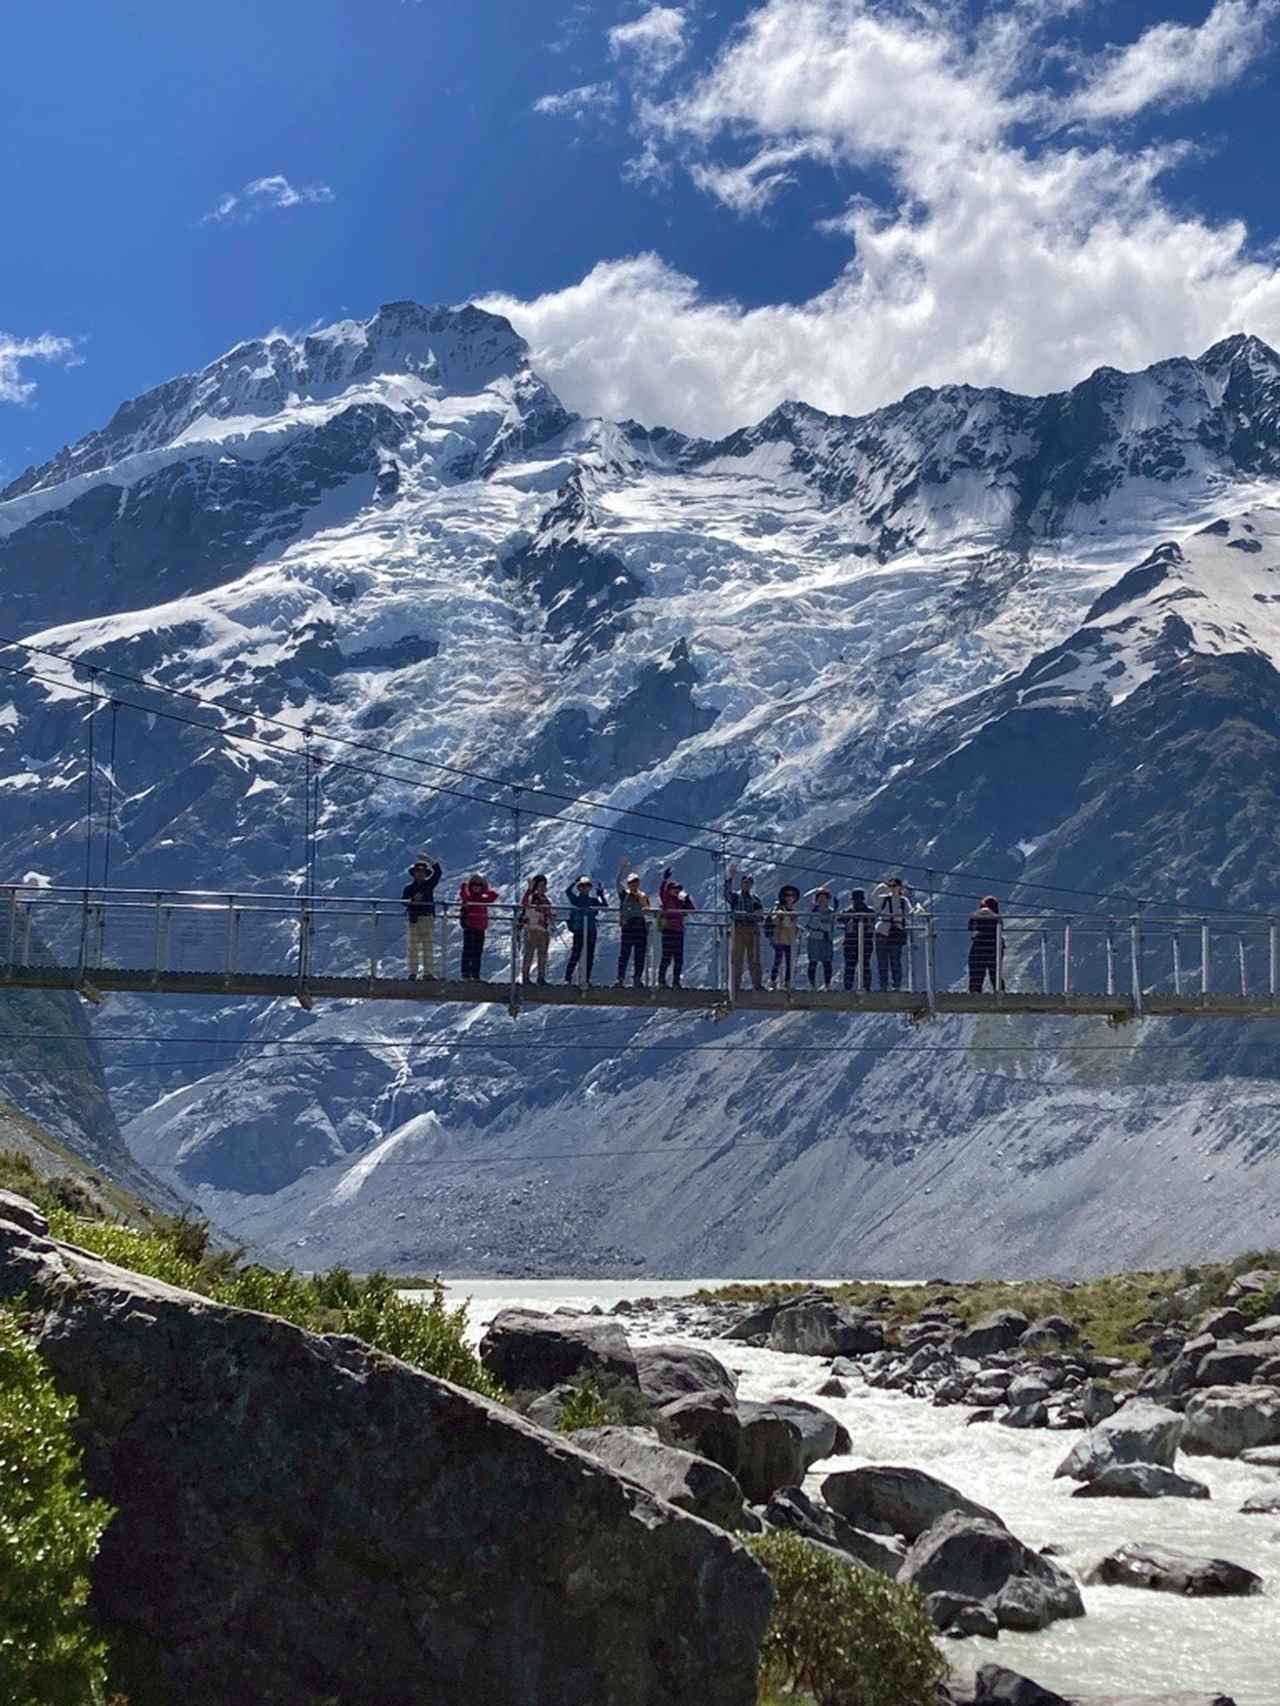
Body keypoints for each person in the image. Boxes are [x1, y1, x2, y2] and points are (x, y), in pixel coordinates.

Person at [724, 863, 764, 991]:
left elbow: (760, 915)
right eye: (745, 882)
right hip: (738, 928)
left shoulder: (755, 899)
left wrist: (755, 916)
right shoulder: (735, 897)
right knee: (737, 958)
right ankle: (735, 986)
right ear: (741, 884)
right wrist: (730, 878)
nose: (747, 885)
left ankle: (757, 985)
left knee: (754, 958)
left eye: (749, 883)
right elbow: (726, 895)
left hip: (752, 930)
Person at [871, 875, 915, 991]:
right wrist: (882, 886)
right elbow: (873, 897)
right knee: (882, 962)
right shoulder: (884, 899)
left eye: (894, 886)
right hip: (882, 932)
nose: (891, 888)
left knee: (896, 961)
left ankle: (896, 985)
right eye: (890, 886)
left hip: (896, 933)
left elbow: (910, 913)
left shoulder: (903, 901)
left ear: (899, 887)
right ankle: (883, 986)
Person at [402, 853, 442, 979]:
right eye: (418, 872)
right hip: (414, 919)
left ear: (425, 874)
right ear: (414, 874)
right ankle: (413, 973)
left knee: (428, 947)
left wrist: (428, 859)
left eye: (422, 872)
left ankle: (428, 973)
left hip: (427, 918)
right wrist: (413, 900)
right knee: (413, 947)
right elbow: (404, 901)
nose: (420, 874)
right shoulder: (409, 888)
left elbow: (438, 873)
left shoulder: (428, 885)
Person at [564, 876, 608, 985]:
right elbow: (567, 891)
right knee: (576, 953)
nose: (585, 888)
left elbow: (605, 908)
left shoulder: (588, 901)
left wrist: (601, 895)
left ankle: (586, 979)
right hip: (581, 930)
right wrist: (575, 881)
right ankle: (568, 978)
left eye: (587, 886)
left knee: (589, 955)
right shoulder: (577, 900)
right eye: (582, 886)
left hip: (590, 930)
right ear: (579, 888)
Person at [615, 858, 652, 988]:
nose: (633, 884)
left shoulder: (643, 896)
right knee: (625, 954)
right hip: (629, 926)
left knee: (639, 954)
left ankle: (637, 979)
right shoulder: (624, 895)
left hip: (640, 926)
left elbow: (648, 909)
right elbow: (618, 883)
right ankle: (620, 979)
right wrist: (622, 869)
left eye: (635, 882)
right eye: (631, 882)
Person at [658, 867, 695, 989]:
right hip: (668, 930)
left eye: (678, 889)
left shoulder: (680, 902)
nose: (677, 891)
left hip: (679, 932)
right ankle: (662, 980)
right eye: (674, 889)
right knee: (666, 957)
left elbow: (692, 910)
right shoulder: (666, 899)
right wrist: (665, 880)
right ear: (669, 890)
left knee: (678, 959)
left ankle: (675, 981)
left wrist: (687, 899)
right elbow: (661, 891)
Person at [458, 872, 499, 980]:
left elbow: (493, 896)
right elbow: (463, 894)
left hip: (480, 928)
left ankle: (475, 975)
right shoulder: (469, 897)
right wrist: (464, 886)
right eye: (474, 885)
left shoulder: (483, 898)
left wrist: (486, 889)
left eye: (479, 886)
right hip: (469, 927)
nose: (477, 887)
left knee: (477, 952)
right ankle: (466, 974)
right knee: (468, 951)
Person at [838, 888, 874, 992]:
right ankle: (866, 988)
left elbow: (840, 920)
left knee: (851, 966)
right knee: (864, 966)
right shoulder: (869, 911)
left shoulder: (849, 911)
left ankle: (848, 988)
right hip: (864, 942)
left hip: (852, 943)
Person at [519, 874, 553, 984]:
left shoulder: (546, 899)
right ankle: (525, 977)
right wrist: (529, 890)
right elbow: (524, 904)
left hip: (544, 930)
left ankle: (541, 977)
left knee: (542, 955)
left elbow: (550, 913)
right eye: (541, 885)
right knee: (529, 954)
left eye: (544, 885)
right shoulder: (531, 896)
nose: (543, 887)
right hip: (532, 928)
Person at [768, 885, 801, 989]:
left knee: (789, 962)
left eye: (792, 895)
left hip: (789, 939)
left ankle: (787, 982)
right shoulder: (779, 909)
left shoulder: (793, 911)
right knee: (778, 960)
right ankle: (773, 981)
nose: (790, 897)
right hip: (780, 938)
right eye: (787, 895)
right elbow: (776, 921)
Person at [968, 895, 1003, 993]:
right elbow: (1000, 927)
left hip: (979, 945)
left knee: (976, 972)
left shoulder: (977, 915)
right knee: (995, 973)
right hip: (995, 945)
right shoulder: (997, 917)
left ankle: (975, 994)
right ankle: (1000, 992)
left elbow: (970, 927)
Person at [805, 887, 838, 989]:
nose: (822, 901)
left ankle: (828, 985)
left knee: (827, 963)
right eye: (820, 898)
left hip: (827, 939)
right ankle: (812, 985)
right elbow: (812, 924)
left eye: (824, 898)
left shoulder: (832, 912)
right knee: (813, 962)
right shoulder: (812, 911)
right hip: (814, 939)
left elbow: (833, 925)